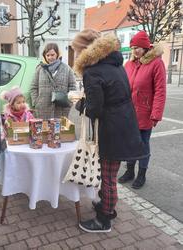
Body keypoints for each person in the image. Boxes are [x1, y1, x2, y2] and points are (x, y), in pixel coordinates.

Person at [71, 29, 148, 233]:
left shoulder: (92, 71)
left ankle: (104, 219)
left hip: (113, 128)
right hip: (124, 123)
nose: (77, 55)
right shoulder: (114, 63)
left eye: (77, 51)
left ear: (85, 50)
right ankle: (108, 207)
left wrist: (81, 104)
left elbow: (95, 108)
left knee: (108, 177)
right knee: (110, 174)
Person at [118, 31, 166, 189]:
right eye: (132, 48)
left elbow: (160, 90)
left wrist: (156, 114)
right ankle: (130, 171)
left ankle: (141, 174)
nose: (134, 51)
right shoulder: (129, 64)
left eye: (138, 47)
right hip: (128, 114)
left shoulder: (156, 63)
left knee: (143, 144)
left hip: (145, 113)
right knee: (130, 144)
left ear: (146, 47)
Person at [30, 43, 77, 119]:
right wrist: (36, 102)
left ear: (57, 54)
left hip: (61, 109)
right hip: (42, 108)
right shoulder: (40, 69)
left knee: (59, 130)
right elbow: (34, 87)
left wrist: (69, 102)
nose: (50, 57)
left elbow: (73, 87)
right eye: (47, 55)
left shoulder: (67, 69)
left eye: (52, 55)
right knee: (44, 130)